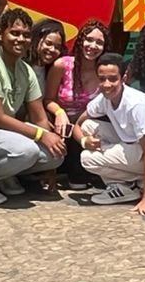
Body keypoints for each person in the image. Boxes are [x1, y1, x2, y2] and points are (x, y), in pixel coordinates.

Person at [0, 8, 67, 201]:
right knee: (27, 150)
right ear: (1, 34)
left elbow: (39, 116)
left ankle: (5, 174)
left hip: (8, 136)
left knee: (56, 154)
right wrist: (42, 135)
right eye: (14, 33)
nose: (21, 39)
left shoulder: (25, 69)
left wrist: (52, 166)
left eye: (26, 35)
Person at [75, 53, 145, 213]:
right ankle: (127, 185)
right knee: (89, 126)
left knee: (87, 159)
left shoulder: (134, 104)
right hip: (133, 144)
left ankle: (142, 183)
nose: (107, 84)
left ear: (123, 78)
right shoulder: (104, 98)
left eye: (112, 79)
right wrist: (84, 141)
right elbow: (78, 124)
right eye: (102, 79)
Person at [46, 17, 108, 188]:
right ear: (81, 40)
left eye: (99, 42)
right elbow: (48, 99)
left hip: (87, 124)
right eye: (89, 39)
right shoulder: (62, 65)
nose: (93, 46)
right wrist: (59, 113)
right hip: (62, 124)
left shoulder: (103, 72)